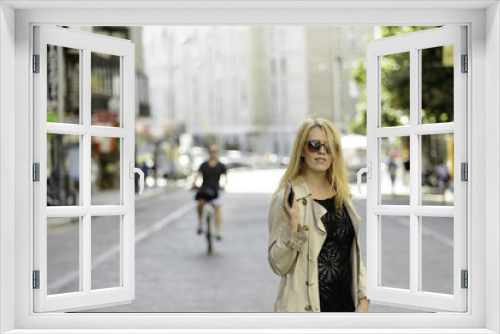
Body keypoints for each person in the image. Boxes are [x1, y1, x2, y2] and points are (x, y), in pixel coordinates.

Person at [268, 117, 369, 313]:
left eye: (329, 146)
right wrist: (293, 224)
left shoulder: (343, 197)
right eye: (314, 145)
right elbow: (278, 265)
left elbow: (353, 254)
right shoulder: (287, 199)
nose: (322, 151)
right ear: (302, 150)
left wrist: (364, 298)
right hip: (306, 311)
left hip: (347, 311)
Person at [191, 143, 227, 240]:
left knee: (217, 207)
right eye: (211, 151)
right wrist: (193, 184)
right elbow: (197, 175)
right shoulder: (204, 165)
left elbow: (225, 178)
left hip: (215, 190)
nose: (213, 153)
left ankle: (218, 232)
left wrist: (223, 185)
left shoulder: (221, 166)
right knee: (200, 203)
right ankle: (200, 224)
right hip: (204, 189)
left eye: (214, 151)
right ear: (208, 152)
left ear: (217, 153)